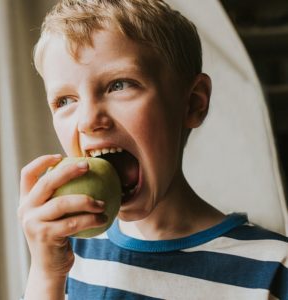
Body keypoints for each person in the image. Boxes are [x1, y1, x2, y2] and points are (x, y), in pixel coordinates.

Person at [17, 0, 288, 299]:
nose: (88, 120)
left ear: (194, 103)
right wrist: (44, 274)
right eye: (65, 101)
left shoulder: (274, 269)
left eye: (119, 85)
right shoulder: (68, 255)